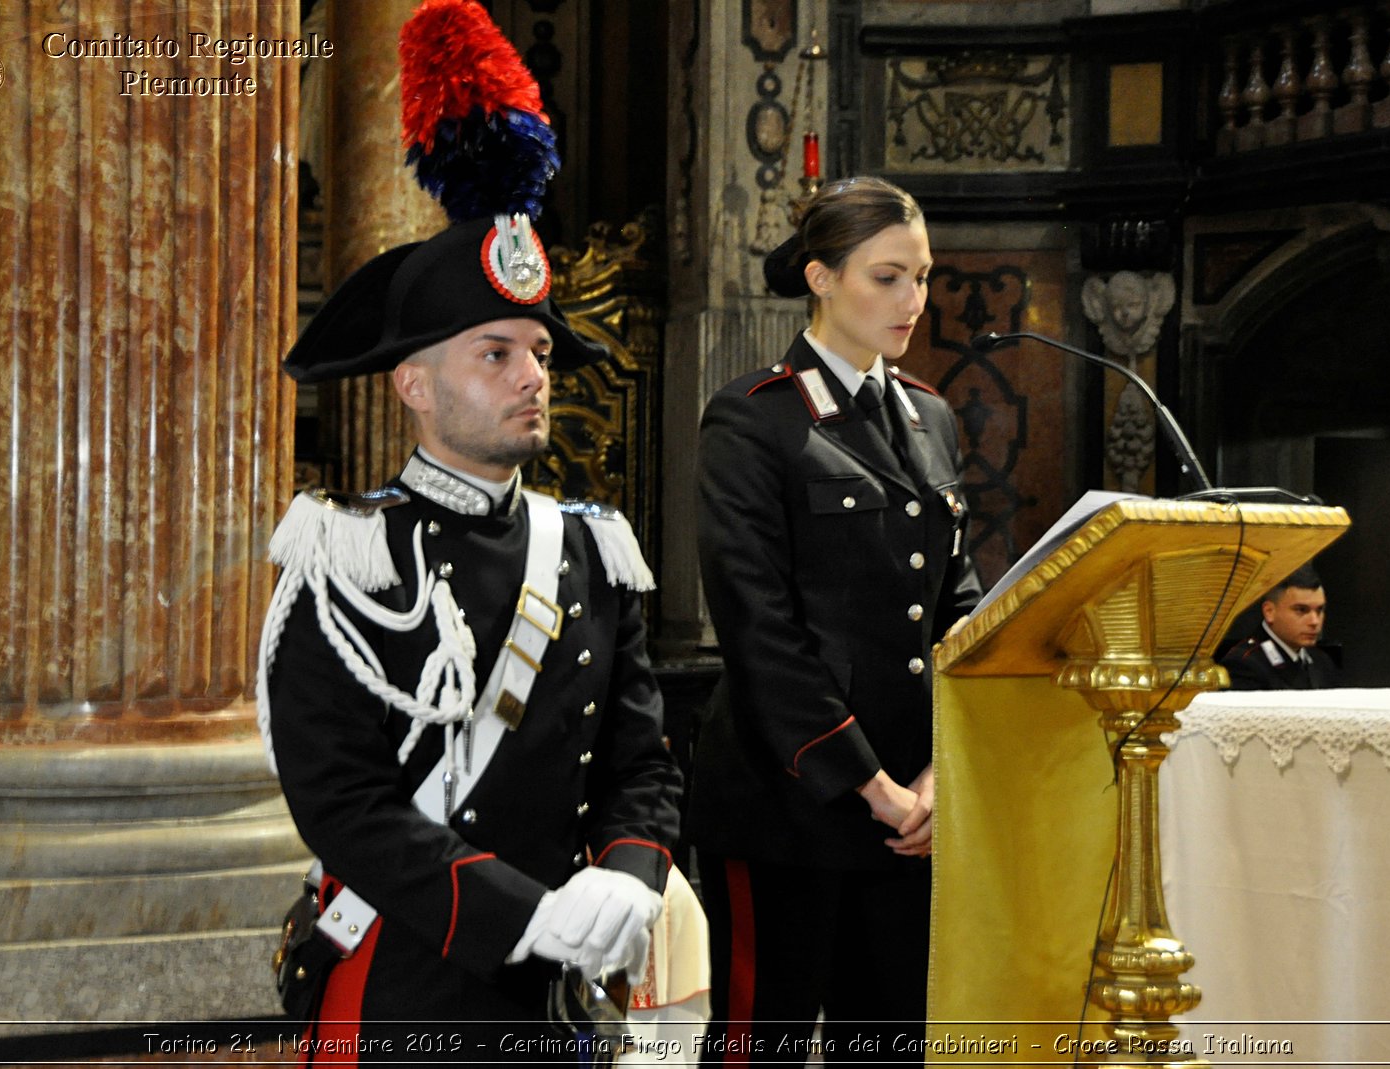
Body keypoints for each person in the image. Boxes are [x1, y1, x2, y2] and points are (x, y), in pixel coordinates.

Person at [256, 215, 682, 1058]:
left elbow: (641, 761)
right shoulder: (349, 553)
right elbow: (342, 802)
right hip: (405, 976)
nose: (533, 376)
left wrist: (630, 875)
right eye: (496, 353)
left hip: (562, 986)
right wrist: (521, 914)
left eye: (541, 353)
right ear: (413, 384)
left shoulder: (591, 550)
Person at [687, 176, 983, 1065]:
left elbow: (955, 602)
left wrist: (939, 770)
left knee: (890, 1040)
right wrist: (874, 786)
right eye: (886, 277)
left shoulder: (930, 415)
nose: (912, 301)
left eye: (923, 278)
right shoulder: (752, 417)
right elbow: (757, 630)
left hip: (911, 806)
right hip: (790, 795)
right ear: (820, 277)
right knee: (759, 1042)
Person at [1218, 564, 1343, 690]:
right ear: (1269, 612)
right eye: (1301, 610)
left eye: (1319, 610)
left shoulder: (1322, 661)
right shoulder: (1244, 664)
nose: (1314, 621)